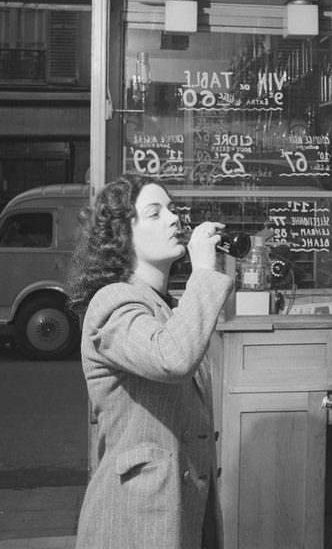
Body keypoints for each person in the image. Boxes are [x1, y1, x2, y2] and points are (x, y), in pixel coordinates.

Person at [66, 174, 233, 549]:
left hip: (182, 505)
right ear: (122, 235)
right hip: (137, 517)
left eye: (173, 209)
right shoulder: (112, 304)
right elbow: (173, 359)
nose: (174, 219)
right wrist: (204, 272)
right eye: (155, 213)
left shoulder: (166, 307)